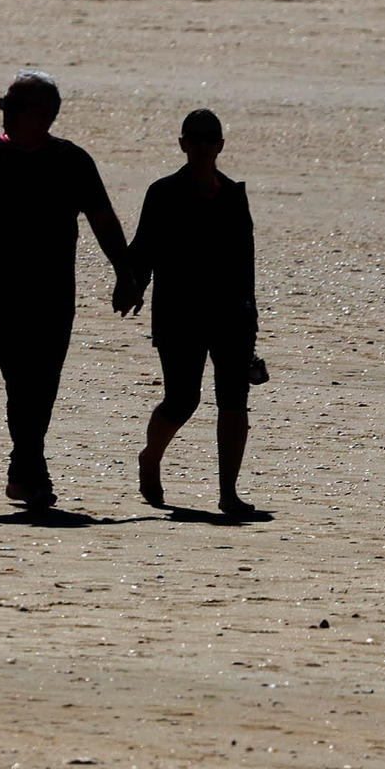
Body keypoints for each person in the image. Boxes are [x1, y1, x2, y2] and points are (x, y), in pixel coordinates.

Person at [0, 70, 141, 509]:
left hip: (55, 292)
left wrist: (125, 274)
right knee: (21, 379)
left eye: (16, 105)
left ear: (47, 115)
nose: (7, 112)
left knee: (43, 382)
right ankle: (33, 473)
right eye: (5, 104)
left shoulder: (72, 162)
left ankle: (24, 471)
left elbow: (104, 221)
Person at [129, 108, 259, 515]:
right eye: (195, 138)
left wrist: (251, 322)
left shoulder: (234, 196)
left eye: (210, 138)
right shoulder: (163, 193)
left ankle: (228, 493)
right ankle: (151, 457)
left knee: (234, 401)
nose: (203, 145)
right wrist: (131, 284)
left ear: (221, 145)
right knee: (183, 400)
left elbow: (245, 263)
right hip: (178, 313)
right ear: (182, 143)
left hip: (230, 315)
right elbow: (143, 249)